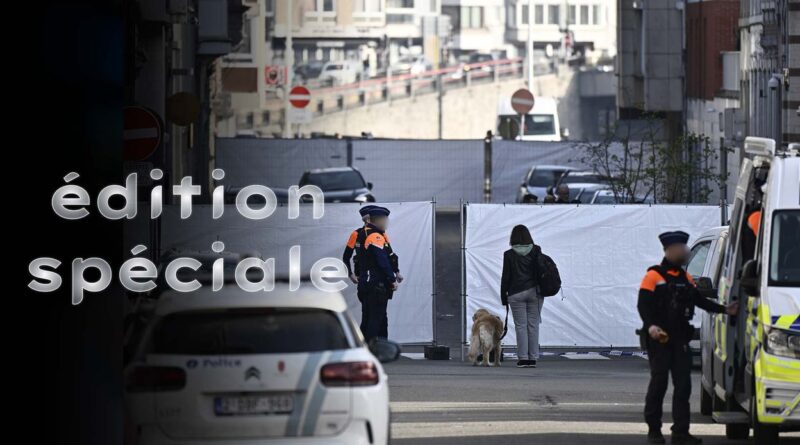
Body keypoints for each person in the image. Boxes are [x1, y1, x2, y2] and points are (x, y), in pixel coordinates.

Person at [638, 231, 738, 445]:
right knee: (659, 385)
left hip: (680, 340)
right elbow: (643, 305)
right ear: (669, 250)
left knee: (683, 387)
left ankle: (680, 432)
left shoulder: (686, 278)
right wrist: (651, 326)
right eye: (681, 248)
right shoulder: (653, 276)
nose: (685, 252)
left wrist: (725, 309)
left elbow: (700, 301)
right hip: (659, 339)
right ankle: (654, 431)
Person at [500, 225, 545, 368]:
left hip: (516, 293)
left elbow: (506, 277)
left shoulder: (508, 254)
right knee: (533, 325)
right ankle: (533, 358)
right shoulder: (536, 250)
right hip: (535, 292)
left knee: (521, 326)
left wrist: (503, 297)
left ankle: (523, 359)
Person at [361, 206, 398, 341]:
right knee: (375, 319)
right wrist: (392, 279)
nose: (387, 222)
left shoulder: (374, 234)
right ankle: (371, 348)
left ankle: (378, 346)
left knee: (375, 318)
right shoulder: (375, 236)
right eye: (385, 219)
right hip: (376, 284)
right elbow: (382, 261)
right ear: (378, 220)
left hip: (370, 283)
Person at [343, 205, 377, 333]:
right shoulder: (356, 234)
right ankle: (366, 342)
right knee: (367, 314)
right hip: (363, 279)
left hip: (379, 280)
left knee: (380, 316)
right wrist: (350, 274)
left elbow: (388, 256)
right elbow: (346, 256)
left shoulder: (381, 234)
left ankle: (380, 343)